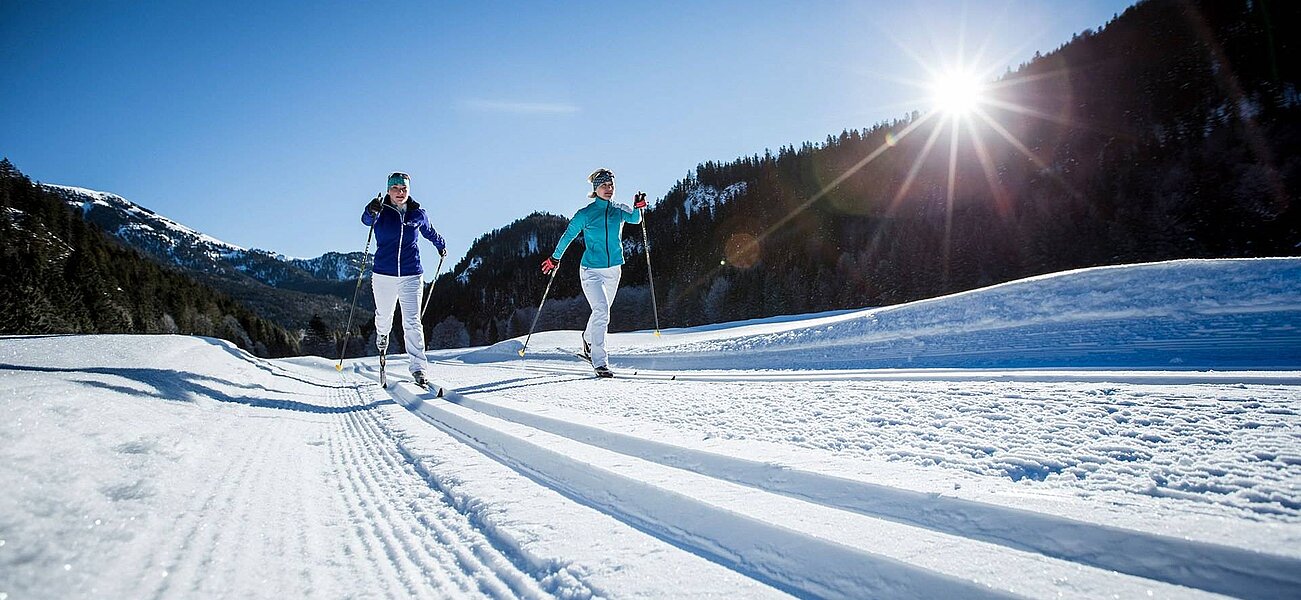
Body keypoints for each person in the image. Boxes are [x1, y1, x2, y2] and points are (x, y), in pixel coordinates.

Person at [542, 168, 648, 378]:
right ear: (595, 189)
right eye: (603, 186)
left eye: (611, 186)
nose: (608, 189)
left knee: (602, 311)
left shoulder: (618, 210)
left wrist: (638, 207)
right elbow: (568, 235)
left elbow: (635, 219)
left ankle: (587, 337)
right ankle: (600, 362)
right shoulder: (586, 214)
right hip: (591, 271)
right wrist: (555, 258)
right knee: (601, 310)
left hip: (614, 270)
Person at [362, 172, 446, 387]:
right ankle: (382, 337)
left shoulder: (417, 214)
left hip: (411, 274)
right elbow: (366, 220)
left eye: (404, 189)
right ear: (388, 190)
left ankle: (419, 368)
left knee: (411, 321)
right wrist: (370, 210)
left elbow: (430, 232)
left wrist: (441, 245)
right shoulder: (380, 210)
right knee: (384, 316)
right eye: (396, 188)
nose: (400, 193)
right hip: (383, 274)